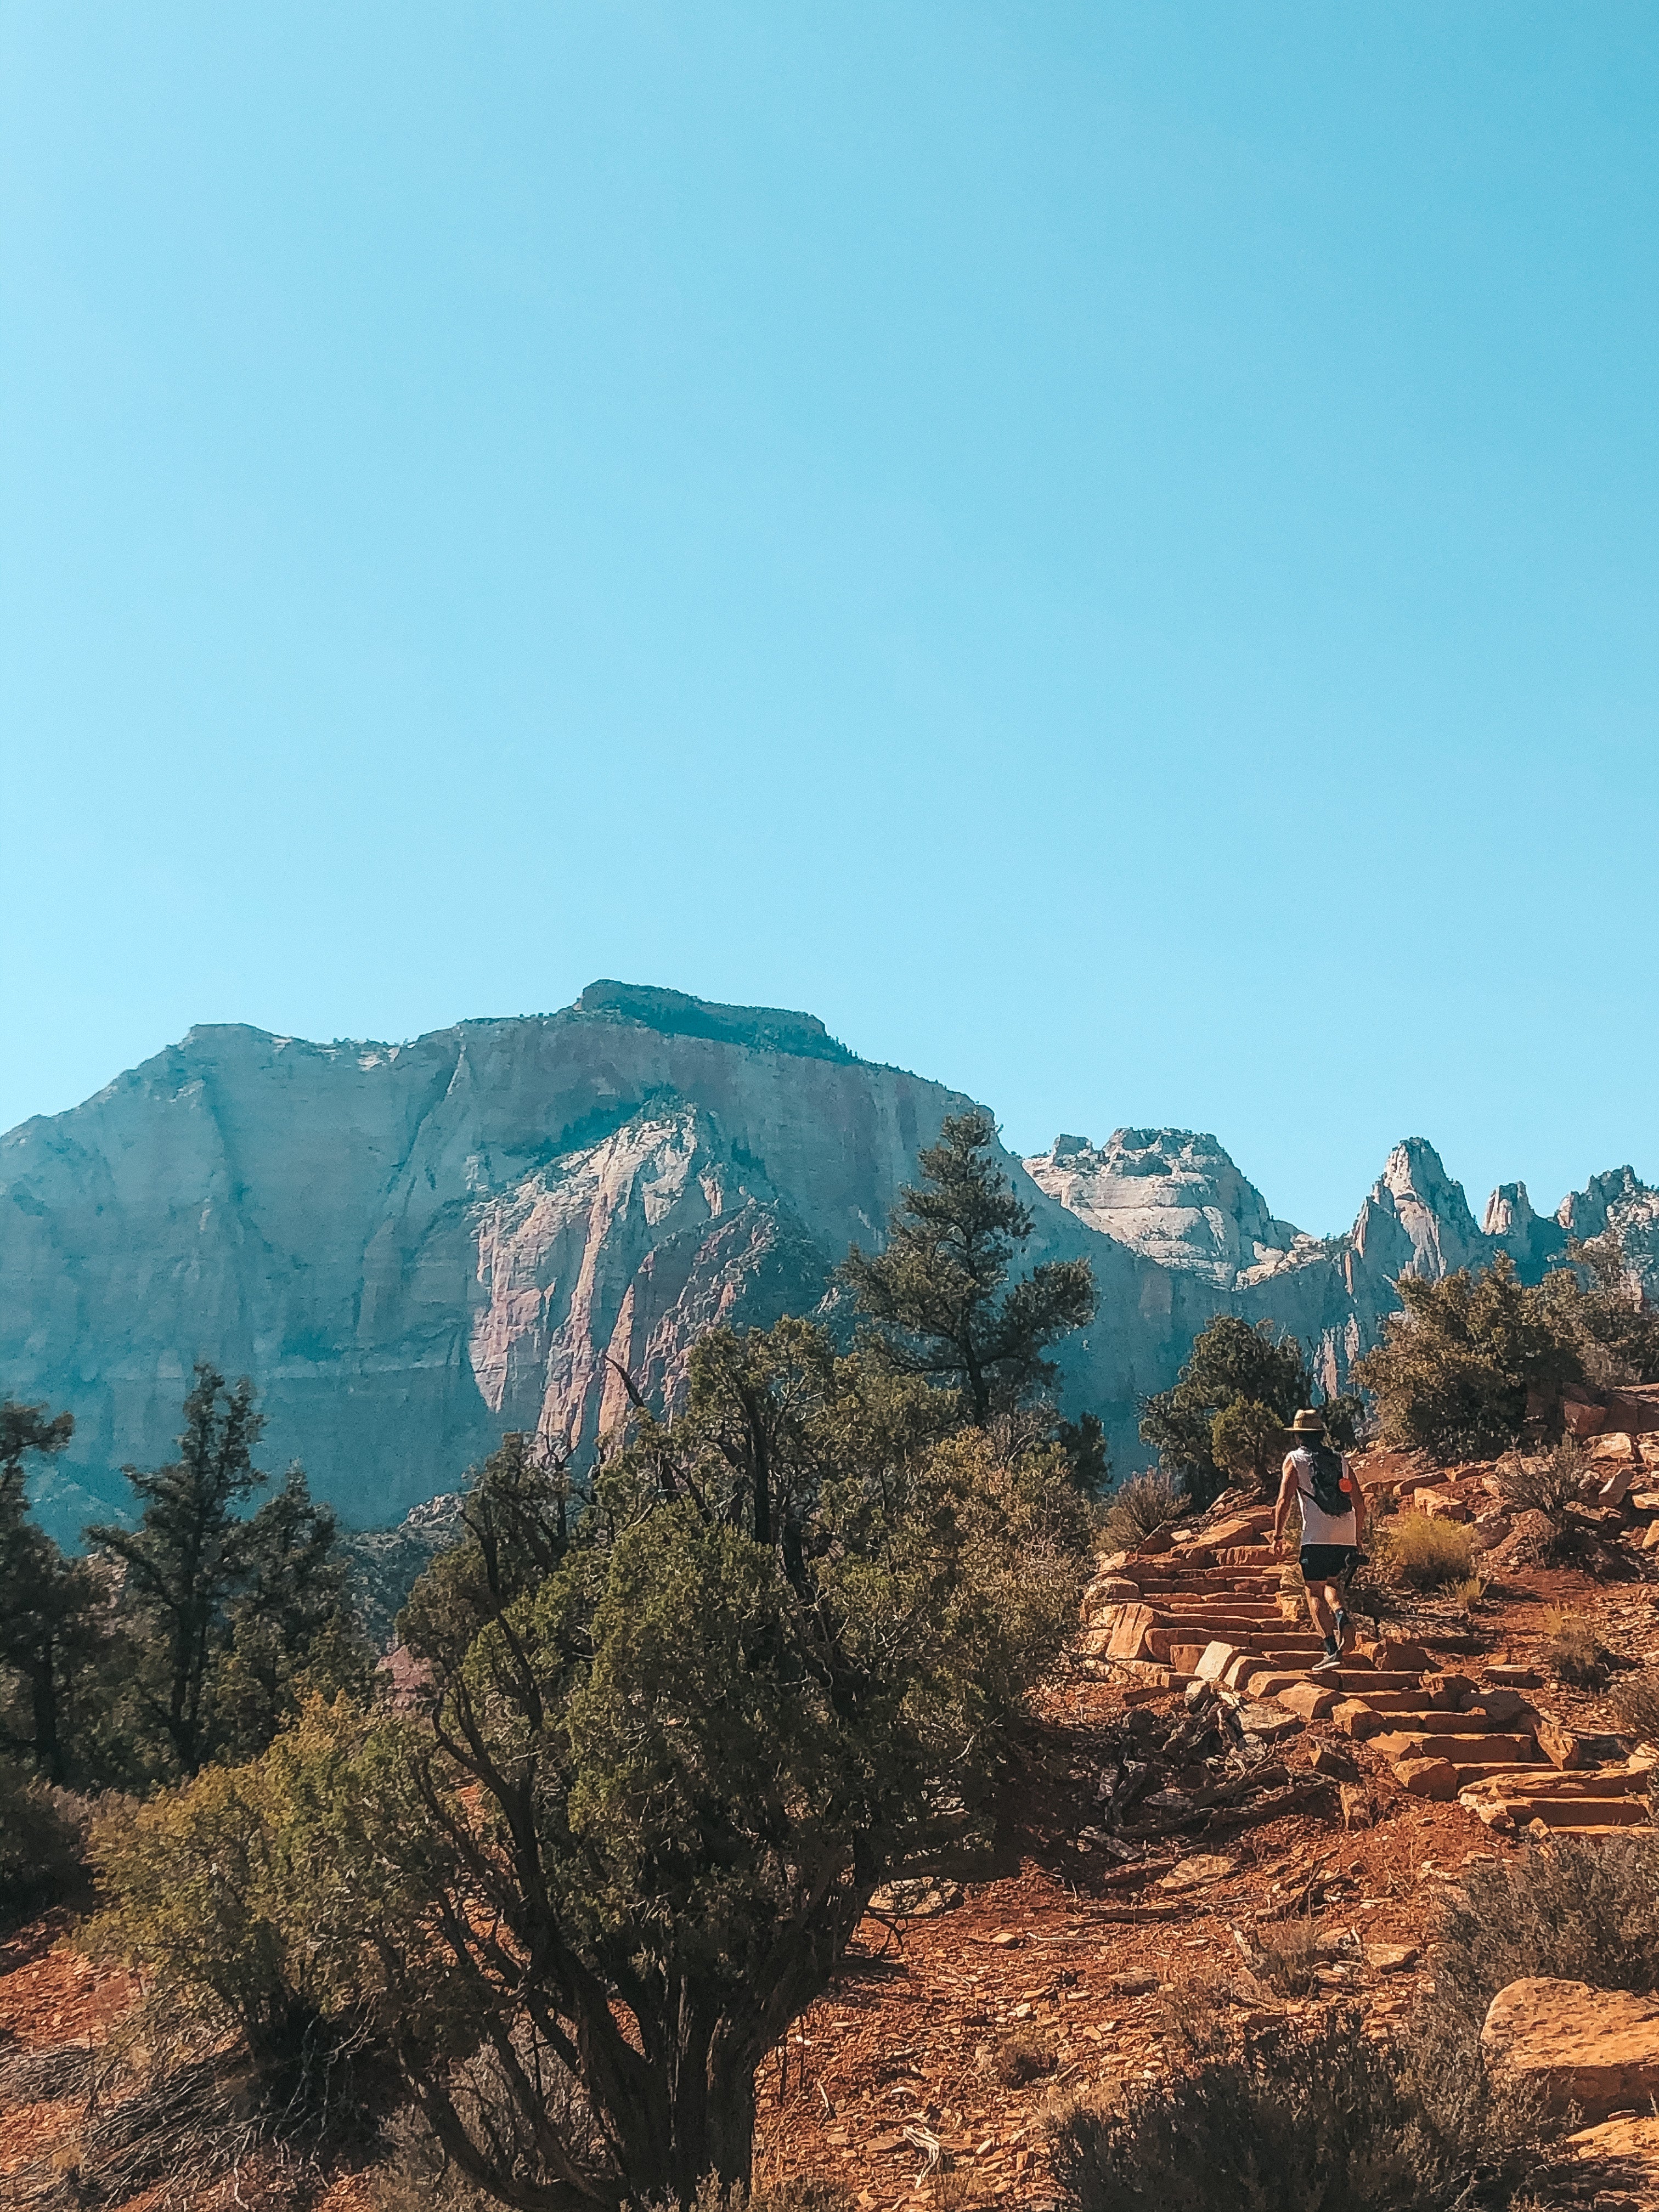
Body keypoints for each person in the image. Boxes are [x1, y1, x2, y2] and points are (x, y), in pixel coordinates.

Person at [1272, 1407, 1367, 1674]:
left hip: (1316, 1535)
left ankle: (1330, 1650)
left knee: (1313, 1590)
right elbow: (1359, 1503)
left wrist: (1278, 1536)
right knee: (1332, 1583)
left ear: (1298, 1436)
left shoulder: (1294, 1459)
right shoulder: (1341, 1460)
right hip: (1345, 1532)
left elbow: (1284, 1500)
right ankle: (1342, 1616)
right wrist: (1357, 1538)